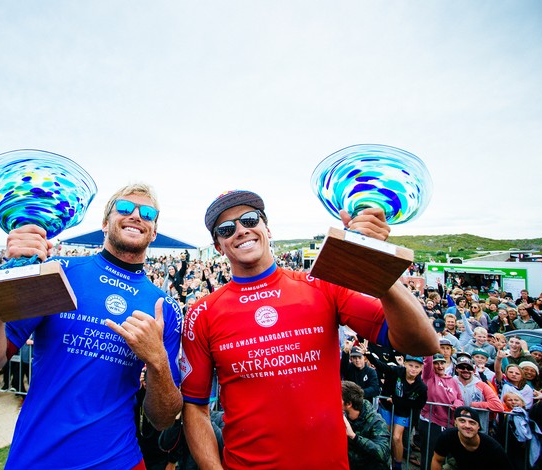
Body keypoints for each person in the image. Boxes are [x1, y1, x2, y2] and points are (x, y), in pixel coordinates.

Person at [181, 190, 439, 469]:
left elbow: (422, 342)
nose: (241, 231)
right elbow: (195, 407)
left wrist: (377, 264)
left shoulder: (321, 286)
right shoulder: (202, 313)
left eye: (250, 219)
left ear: (266, 228)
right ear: (218, 246)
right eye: (227, 228)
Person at [0, 183, 183, 470]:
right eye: (125, 208)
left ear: (153, 231)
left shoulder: (163, 307)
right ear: (105, 223)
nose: (136, 216)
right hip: (37, 458)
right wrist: (9, 279)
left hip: (119, 460)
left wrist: (157, 362)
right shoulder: (59, 272)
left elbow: (163, 418)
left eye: (148, 213)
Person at [366, 353, 427, 470]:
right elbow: (382, 366)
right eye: (411, 365)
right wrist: (368, 355)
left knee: (397, 437)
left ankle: (398, 465)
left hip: (402, 411)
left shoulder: (421, 387)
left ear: (421, 368)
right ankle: (382, 460)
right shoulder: (397, 371)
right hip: (386, 407)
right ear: (405, 364)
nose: (413, 369)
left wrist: (398, 401)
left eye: (417, 367)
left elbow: (419, 404)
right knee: (384, 434)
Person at [418, 353, 464, 470]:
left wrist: (457, 404)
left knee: (448, 458)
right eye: (436, 363)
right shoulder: (429, 377)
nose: (439, 366)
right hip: (431, 423)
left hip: (449, 424)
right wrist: (430, 349)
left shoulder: (452, 381)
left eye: (442, 363)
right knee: (430, 456)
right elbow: (428, 362)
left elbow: (460, 398)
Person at [431, 406, 512, 469]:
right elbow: (437, 460)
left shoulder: (493, 447)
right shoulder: (447, 436)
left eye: (472, 423)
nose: (467, 426)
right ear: (455, 423)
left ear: (478, 427)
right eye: (462, 421)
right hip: (459, 465)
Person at [342, 380, 391, 470]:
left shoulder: (376, 422)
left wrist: (354, 436)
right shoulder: (343, 416)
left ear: (349, 404)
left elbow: (382, 453)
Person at [452, 355, 503, 434]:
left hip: (477, 431)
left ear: (474, 370)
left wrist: (475, 405)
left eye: (469, 368)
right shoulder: (450, 382)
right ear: (456, 369)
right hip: (454, 428)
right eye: (462, 367)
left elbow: (498, 406)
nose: (466, 370)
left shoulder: (482, 385)